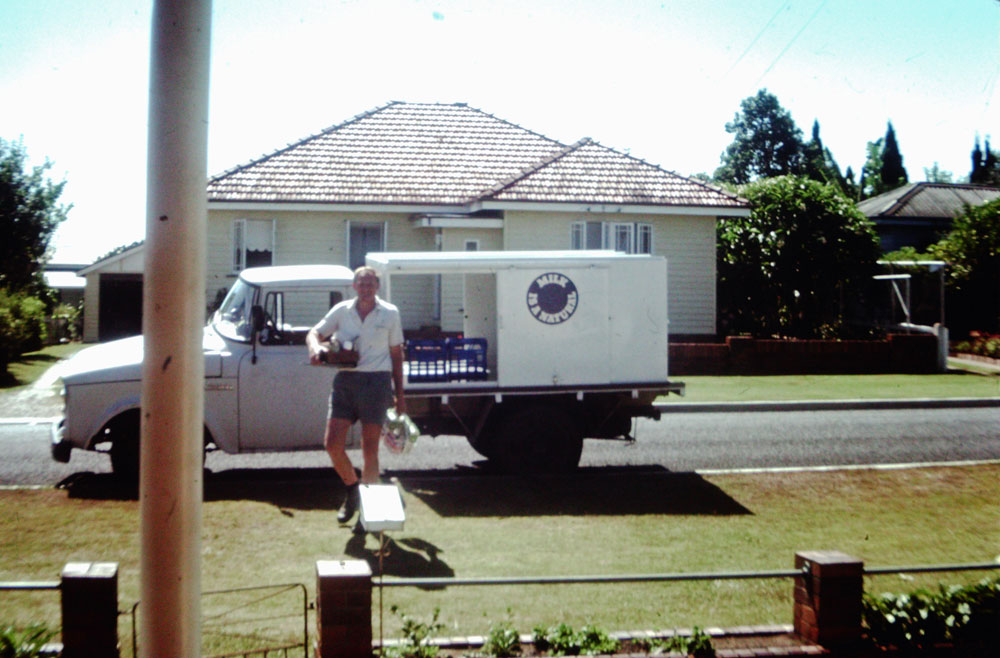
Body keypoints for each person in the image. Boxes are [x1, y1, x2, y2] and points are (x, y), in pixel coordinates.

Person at [307, 266, 406, 524]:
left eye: (371, 283)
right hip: (346, 382)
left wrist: (401, 396)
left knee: (369, 449)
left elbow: (397, 354)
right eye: (361, 283)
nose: (366, 288)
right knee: (332, 444)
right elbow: (313, 333)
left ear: (377, 287)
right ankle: (352, 489)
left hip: (377, 383)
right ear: (354, 286)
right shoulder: (342, 311)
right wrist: (316, 348)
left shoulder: (390, 313)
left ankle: (367, 514)